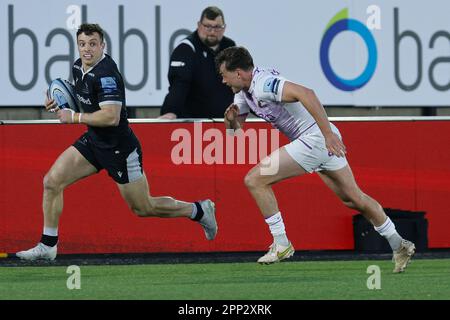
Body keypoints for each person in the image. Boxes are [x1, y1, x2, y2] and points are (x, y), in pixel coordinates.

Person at [16, 24, 217, 261]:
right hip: (93, 141)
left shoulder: (106, 75)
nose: (87, 49)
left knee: (143, 207)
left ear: (103, 45)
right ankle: (48, 245)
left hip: (120, 148)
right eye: (82, 44)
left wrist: (75, 117)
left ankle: (199, 210)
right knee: (51, 182)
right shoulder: (78, 66)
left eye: (93, 44)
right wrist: (60, 103)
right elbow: (87, 101)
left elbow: (110, 117)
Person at [216, 46, 415, 272]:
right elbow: (235, 134)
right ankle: (400, 245)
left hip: (316, 138)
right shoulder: (242, 93)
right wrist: (230, 121)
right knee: (353, 199)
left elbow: (307, 93)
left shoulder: (263, 84)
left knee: (255, 179)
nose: (223, 80)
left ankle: (281, 243)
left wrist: (328, 135)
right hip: (317, 140)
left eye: (224, 75)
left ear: (239, 73)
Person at [159, 6, 236, 119]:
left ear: (224, 28)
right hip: (193, 123)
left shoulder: (230, 46)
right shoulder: (186, 48)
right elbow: (179, 85)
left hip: (223, 121)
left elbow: (238, 82)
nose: (212, 32)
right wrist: (171, 110)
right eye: (208, 27)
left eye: (217, 27)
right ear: (199, 25)